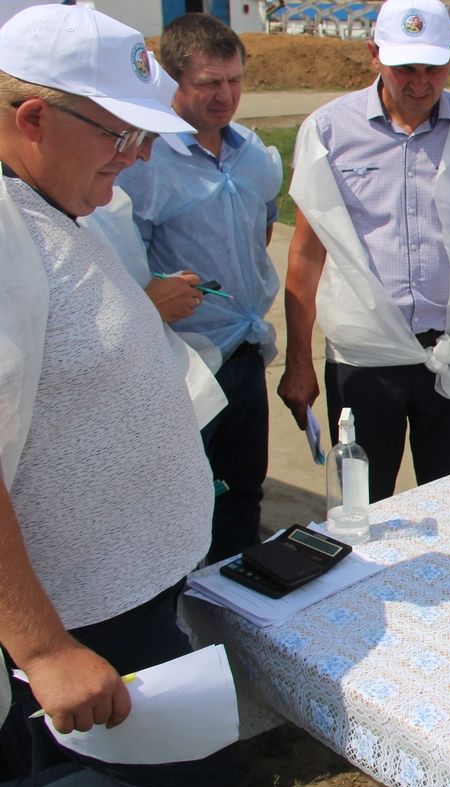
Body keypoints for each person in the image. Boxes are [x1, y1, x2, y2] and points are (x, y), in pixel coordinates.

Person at [0, 5, 235, 787]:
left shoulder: (48, 200)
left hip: (121, 590)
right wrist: (43, 646)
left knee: (178, 781)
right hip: (73, 618)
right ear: (32, 118)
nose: (133, 162)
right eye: (116, 137)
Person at [276, 0, 450, 504]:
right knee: (361, 508)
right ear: (373, 55)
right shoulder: (328, 132)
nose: (419, 83)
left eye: (433, 68)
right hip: (364, 360)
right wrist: (298, 359)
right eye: (404, 67)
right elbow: (305, 254)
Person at [117, 13, 282, 562]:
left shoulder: (254, 156)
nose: (225, 96)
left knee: (243, 493)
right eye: (209, 83)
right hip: (182, 365)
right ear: (172, 82)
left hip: (243, 355)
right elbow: (121, 263)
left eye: (234, 80)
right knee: (183, 504)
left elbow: (262, 230)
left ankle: (242, 615)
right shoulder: (142, 163)